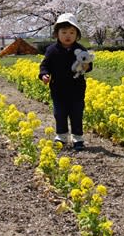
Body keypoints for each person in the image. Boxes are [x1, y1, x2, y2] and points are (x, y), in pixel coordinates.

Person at [38, 13, 92, 151]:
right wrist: (44, 75)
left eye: (72, 33)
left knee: (77, 113)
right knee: (59, 113)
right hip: (58, 89)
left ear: (77, 34)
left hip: (77, 89)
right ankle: (61, 136)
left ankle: (77, 138)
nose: (68, 35)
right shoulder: (51, 50)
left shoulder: (80, 49)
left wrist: (86, 66)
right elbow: (45, 65)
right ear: (57, 34)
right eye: (64, 32)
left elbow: (88, 65)